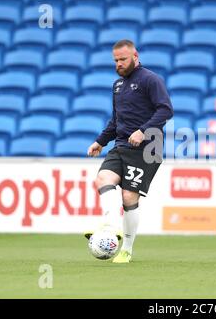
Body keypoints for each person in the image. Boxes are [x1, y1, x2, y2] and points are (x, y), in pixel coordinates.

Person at [85, 39, 173, 263]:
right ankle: (109, 227)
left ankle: (127, 249)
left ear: (135, 56)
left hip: (148, 148)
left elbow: (166, 110)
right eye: (115, 60)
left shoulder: (151, 80)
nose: (119, 64)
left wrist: (143, 131)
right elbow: (116, 120)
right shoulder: (117, 85)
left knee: (128, 196)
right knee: (103, 178)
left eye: (123, 59)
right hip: (122, 145)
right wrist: (101, 141)